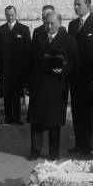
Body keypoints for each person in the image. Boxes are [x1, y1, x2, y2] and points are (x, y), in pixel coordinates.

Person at [26, 11, 78, 161]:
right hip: (39, 86)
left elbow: (75, 63)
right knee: (36, 122)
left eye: (52, 23)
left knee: (54, 123)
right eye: (46, 23)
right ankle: (35, 151)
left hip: (57, 87)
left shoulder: (68, 41)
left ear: (60, 23)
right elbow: (30, 63)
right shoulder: (37, 39)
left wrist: (64, 70)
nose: (49, 26)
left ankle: (53, 153)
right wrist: (28, 84)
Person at [67, 0, 93, 155]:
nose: (76, 7)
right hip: (75, 77)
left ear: (88, 6)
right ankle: (78, 143)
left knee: (89, 113)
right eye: (75, 4)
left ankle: (88, 145)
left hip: (90, 78)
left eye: (79, 4)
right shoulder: (72, 24)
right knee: (77, 111)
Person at [0, 5, 31, 124]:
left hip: (18, 69)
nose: (10, 17)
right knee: (6, 94)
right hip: (5, 69)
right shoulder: (0, 30)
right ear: (5, 15)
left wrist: (26, 69)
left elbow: (28, 50)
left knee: (16, 94)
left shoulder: (24, 29)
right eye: (8, 15)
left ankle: (17, 117)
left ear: (16, 14)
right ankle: (7, 117)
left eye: (12, 15)